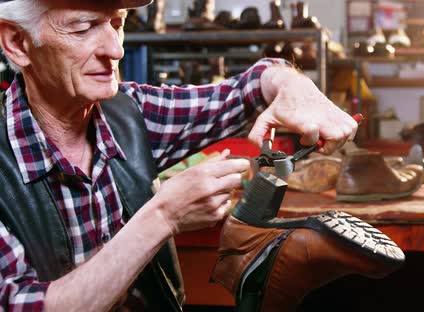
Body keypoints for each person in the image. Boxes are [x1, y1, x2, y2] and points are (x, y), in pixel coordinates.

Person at [0, 0, 358, 310]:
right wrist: (162, 216)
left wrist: (294, 86)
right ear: (18, 43)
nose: (115, 49)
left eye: (117, 23)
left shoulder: (129, 114)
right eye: (83, 28)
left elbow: (248, 88)